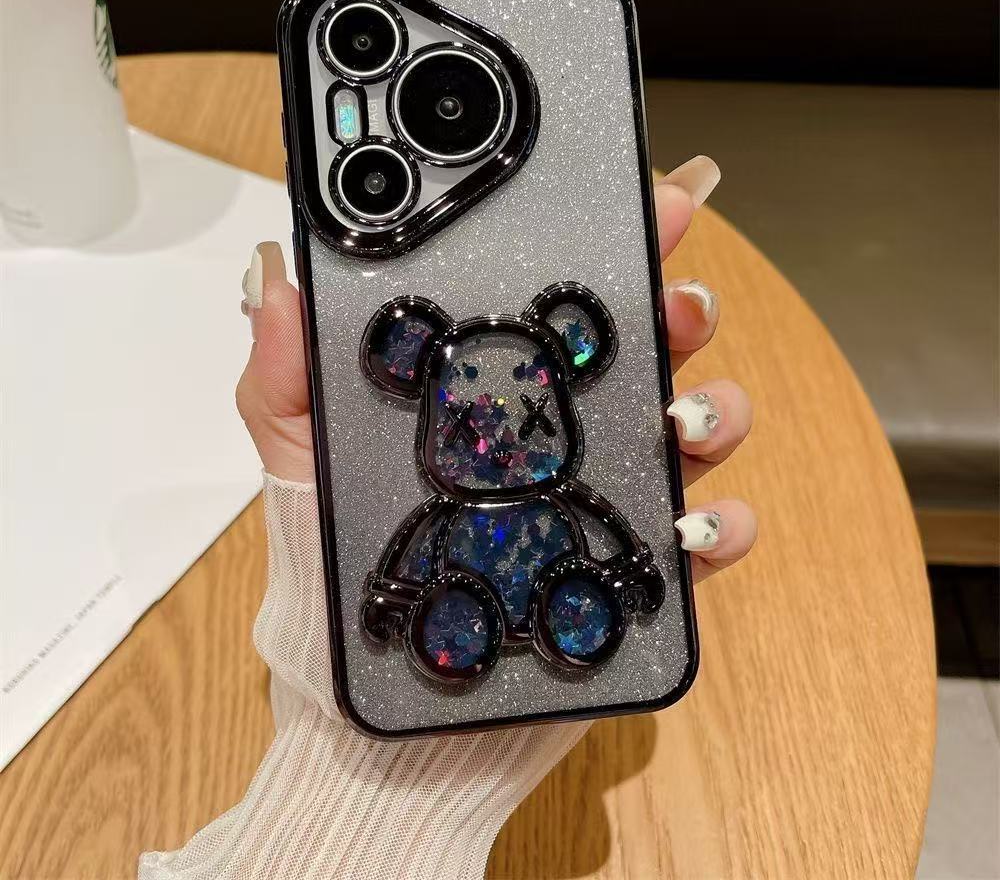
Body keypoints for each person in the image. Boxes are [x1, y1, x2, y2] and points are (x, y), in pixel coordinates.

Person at [139, 156, 756, 879]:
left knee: (575, 590)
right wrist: (384, 606)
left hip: (558, 588)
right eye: (468, 417)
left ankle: (564, 610)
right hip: (466, 602)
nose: (501, 433)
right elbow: (412, 546)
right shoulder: (443, 508)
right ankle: (469, 626)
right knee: (458, 610)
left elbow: (610, 526)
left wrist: (632, 568)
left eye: (528, 410)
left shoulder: (554, 489)